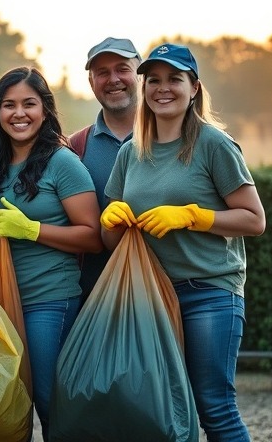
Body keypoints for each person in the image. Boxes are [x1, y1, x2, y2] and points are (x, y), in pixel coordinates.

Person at [101, 43, 265, 441]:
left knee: (214, 405)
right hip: (153, 297)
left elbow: (254, 219)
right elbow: (110, 242)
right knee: (167, 407)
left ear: (194, 87)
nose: (162, 88)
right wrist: (112, 222)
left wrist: (193, 215)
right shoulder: (130, 152)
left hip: (208, 291)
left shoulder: (213, 144)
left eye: (174, 79)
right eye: (153, 80)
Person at [0, 66, 102, 441]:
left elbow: (93, 236)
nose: (19, 113)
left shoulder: (61, 162)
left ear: (45, 110)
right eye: (9, 105)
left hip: (48, 299)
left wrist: (31, 230)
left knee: (49, 402)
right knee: (8, 404)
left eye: (29, 104)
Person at [70, 36, 142, 301]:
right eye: (102, 73)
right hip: (94, 297)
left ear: (140, 75)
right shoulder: (76, 147)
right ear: (91, 83)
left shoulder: (171, 140)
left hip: (165, 292)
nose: (113, 79)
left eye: (123, 69)